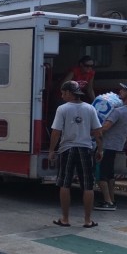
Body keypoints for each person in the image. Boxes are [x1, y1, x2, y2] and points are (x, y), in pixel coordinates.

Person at [48, 81, 103, 228]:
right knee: (88, 185)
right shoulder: (90, 108)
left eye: (63, 93)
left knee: (65, 184)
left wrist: (52, 150)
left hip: (67, 149)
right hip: (85, 148)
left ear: (69, 93)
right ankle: (87, 220)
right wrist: (100, 149)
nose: (61, 95)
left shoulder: (62, 109)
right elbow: (98, 132)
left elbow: (56, 132)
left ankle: (65, 219)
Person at [95, 84, 127, 211]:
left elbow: (105, 128)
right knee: (110, 174)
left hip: (106, 145)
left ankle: (108, 202)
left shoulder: (118, 111)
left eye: (124, 90)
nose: (120, 91)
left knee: (101, 174)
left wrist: (93, 131)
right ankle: (112, 199)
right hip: (116, 145)